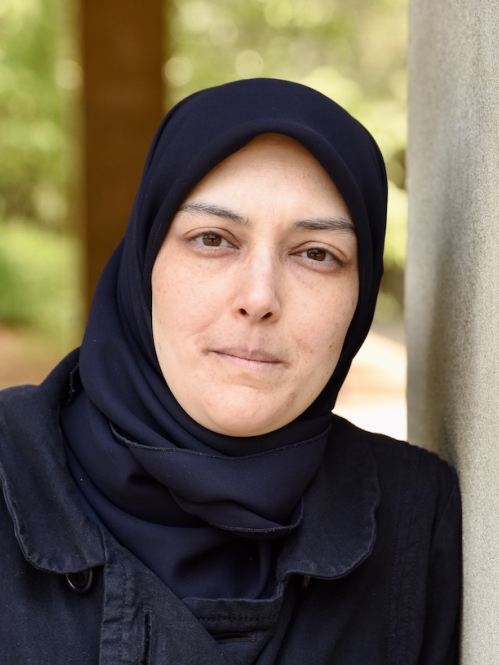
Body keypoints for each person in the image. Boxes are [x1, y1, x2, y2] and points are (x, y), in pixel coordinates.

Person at [0, 79, 460, 664]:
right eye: (213, 239)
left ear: (361, 295)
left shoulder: (414, 523)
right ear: (145, 264)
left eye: (316, 253)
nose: (259, 296)